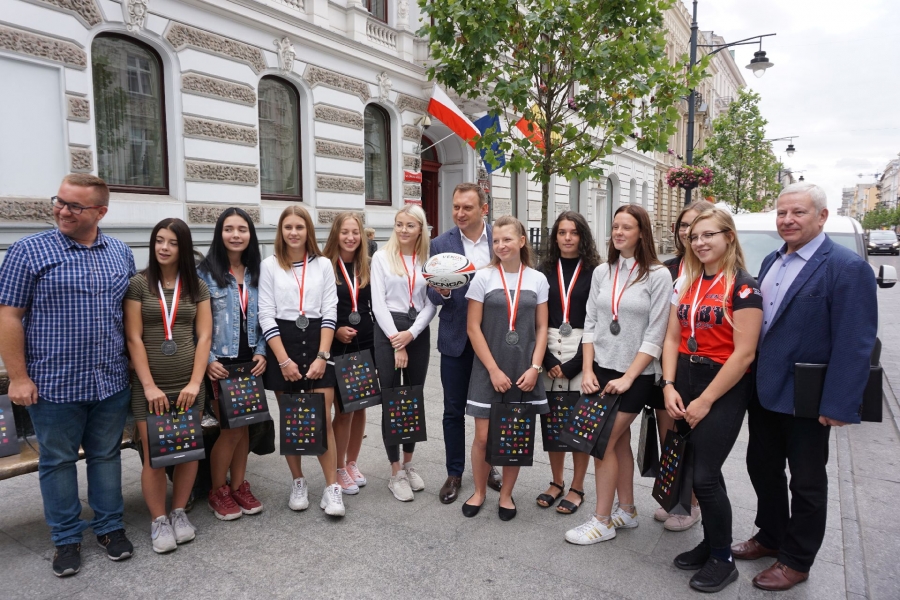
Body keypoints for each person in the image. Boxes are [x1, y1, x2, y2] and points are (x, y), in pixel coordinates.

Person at [733, 183, 877, 591]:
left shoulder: (846, 267)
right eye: (782, 213)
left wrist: (839, 403)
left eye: (798, 212)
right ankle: (771, 535)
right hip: (765, 391)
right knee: (762, 468)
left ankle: (797, 560)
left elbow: (855, 342)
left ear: (821, 216)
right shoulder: (772, 260)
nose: (787, 220)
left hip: (808, 398)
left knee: (807, 482)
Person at [0, 175, 136, 576]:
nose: (62, 210)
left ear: (100, 212)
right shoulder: (28, 251)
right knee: (57, 461)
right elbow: (8, 316)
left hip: (110, 380)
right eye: (59, 201)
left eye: (75, 206)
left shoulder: (120, 253)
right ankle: (66, 538)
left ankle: (109, 527)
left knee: (106, 456)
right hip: (54, 385)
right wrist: (18, 378)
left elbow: (126, 314)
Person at [658, 207, 762, 593]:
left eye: (709, 235)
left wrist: (705, 400)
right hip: (684, 378)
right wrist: (669, 385)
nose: (699, 242)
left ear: (729, 237)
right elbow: (672, 337)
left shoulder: (744, 287)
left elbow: (744, 354)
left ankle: (723, 559)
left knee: (705, 475)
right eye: (694, 236)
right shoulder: (687, 281)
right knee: (693, 470)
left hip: (722, 386)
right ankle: (712, 543)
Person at [564, 205, 671, 543]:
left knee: (603, 440)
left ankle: (602, 521)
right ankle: (627, 510)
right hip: (600, 369)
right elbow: (591, 323)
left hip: (637, 374)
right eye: (615, 227)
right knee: (619, 441)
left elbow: (656, 333)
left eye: (627, 227)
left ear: (642, 232)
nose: (619, 233)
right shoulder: (603, 271)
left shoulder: (658, 275)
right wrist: (586, 369)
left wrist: (629, 377)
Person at [124, 218, 212, 553]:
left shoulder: (196, 286)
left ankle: (178, 512)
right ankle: (158, 519)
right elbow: (133, 337)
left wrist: (195, 382)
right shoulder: (138, 284)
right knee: (154, 457)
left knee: (188, 451)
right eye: (159, 240)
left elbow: (204, 337)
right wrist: (148, 386)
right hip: (151, 388)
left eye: (173, 242)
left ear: (183, 247)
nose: (164, 247)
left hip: (189, 385)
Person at [258, 206, 345, 516]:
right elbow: (266, 313)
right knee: (292, 418)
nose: (293, 232)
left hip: (318, 342)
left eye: (299, 226)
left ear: (308, 230)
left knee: (322, 418)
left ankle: (332, 488)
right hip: (283, 344)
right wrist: (283, 361)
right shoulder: (269, 265)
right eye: (288, 227)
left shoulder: (323, 264)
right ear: (280, 232)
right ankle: (298, 481)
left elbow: (330, 310)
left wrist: (323, 355)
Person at [463, 215, 550, 521]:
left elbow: (542, 328)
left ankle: (506, 495)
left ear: (522, 241)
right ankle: (479, 491)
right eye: (496, 240)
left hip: (523, 370)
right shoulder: (483, 277)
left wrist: (535, 367)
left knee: (514, 436)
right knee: (483, 437)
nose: (501, 245)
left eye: (507, 239)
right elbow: (473, 327)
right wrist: (493, 370)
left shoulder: (537, 279)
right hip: (489, 368)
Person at [427, 183, 502, 504]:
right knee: (453, 410)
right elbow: (431, 294)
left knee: (491, 409)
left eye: (467, 207)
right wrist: (443, 291)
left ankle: (489, 465)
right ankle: (455, 472)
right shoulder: (440, 244)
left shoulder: (499, 239)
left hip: (493, 339)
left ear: (483, 209)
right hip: (456, 338)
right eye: (456, 206)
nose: (459, 213)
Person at [198, 208, 267, 520]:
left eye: (242, 229)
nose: (236, 235)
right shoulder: (205, 273)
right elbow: (195, 323)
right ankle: (218, 490)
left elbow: (267, 316)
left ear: (250, 234)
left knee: (246, 425)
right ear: (220, 233)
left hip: (250, 362)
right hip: (222, 365)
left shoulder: (257, 273)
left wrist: (262, 351)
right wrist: (208, 360)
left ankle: (239, 486)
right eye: (229, 229)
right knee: (230, 429)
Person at [370, 205, 437, 501]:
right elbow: (378, 303)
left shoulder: (428, 259)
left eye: (410, 225)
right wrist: (397, 342)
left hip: (416, 330)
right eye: (399, 224)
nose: (403, 230)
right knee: (392, 399)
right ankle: (395, 470)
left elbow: (432, 302)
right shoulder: (382, 257)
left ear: (420, 228)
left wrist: (412, 334)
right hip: (388, 331)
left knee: (412, 398)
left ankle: (408, 464)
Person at [536, 211, 601, 514]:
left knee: (579, 422)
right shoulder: (543, 270)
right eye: (562, 232)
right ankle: (556, 481)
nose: (567, 238)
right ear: (555, 237)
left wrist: (576, 364)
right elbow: (536, 318)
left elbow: (597, 320)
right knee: (553, 420)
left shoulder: (596, 272)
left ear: (582, 236)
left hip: (582, 347)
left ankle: (577, 486)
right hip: (548, 346)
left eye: (573, 232)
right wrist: (546, 358)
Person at [657, 199, 713, 531]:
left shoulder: (713, 269)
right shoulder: (668, 269)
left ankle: (691, 502)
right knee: (671, 436)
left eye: (695, 225)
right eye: (683, 226)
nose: (688, 232)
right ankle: (673, 496)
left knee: (692, 437)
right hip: (667, 364)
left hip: (699, 366)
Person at [322, 212, 373, 495]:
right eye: (344, 232)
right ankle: (339, 466)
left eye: (355, 232)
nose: (350, 237)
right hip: (337, 347)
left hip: (364, 346)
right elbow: (318, 309)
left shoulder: (366, 266)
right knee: (343, 412)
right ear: (336, 235)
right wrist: (336, 331)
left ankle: (352, 462)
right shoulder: (324, 266)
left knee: (360, 406)